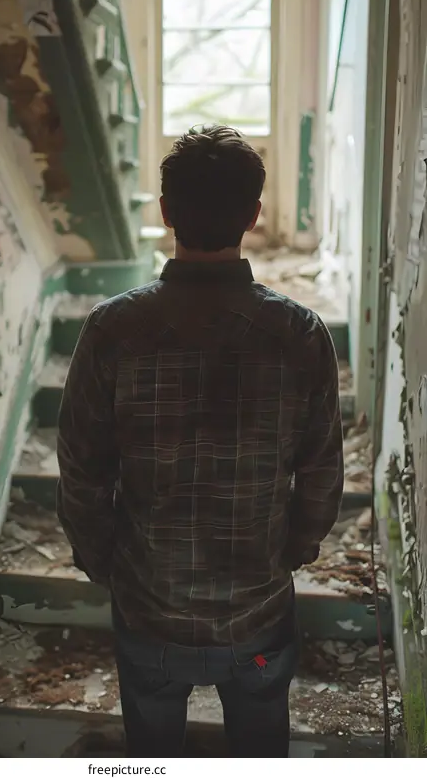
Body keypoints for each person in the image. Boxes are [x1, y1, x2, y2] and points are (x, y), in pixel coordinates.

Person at [57, 125, 344, 757]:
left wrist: (102, 560)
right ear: (254, 214)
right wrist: (295, 547)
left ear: (165, 212)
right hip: (258, 616)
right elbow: (321, 471)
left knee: (151, 758)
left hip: (149, 611)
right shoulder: (298, 333)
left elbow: (81, 471)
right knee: (260, 752)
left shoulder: (112, 329)